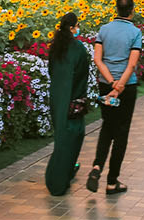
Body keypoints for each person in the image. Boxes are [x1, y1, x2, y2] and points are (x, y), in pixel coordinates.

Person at [86, 0, 142, 195]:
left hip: (105, 85)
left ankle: (96, 166)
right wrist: (119, 87)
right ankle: (112, 181)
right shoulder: (135, 32)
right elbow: (132, 64)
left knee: (107, 126)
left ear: (116, 9)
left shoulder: (104, 30)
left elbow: (97, 59)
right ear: (132, 10)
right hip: (126, 88)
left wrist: (111, 83)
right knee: (121, 133)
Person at [43, 12, 89, 195]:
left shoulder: (56, 47)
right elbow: (82, 73)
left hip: (57, 99)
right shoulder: (78, 48)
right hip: (73, 100)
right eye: (77, 26)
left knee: (61, 137)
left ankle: (63, 175)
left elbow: (52, 71)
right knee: (73, 137)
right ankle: (59, 180)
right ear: (71, 28)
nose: (78, 29)